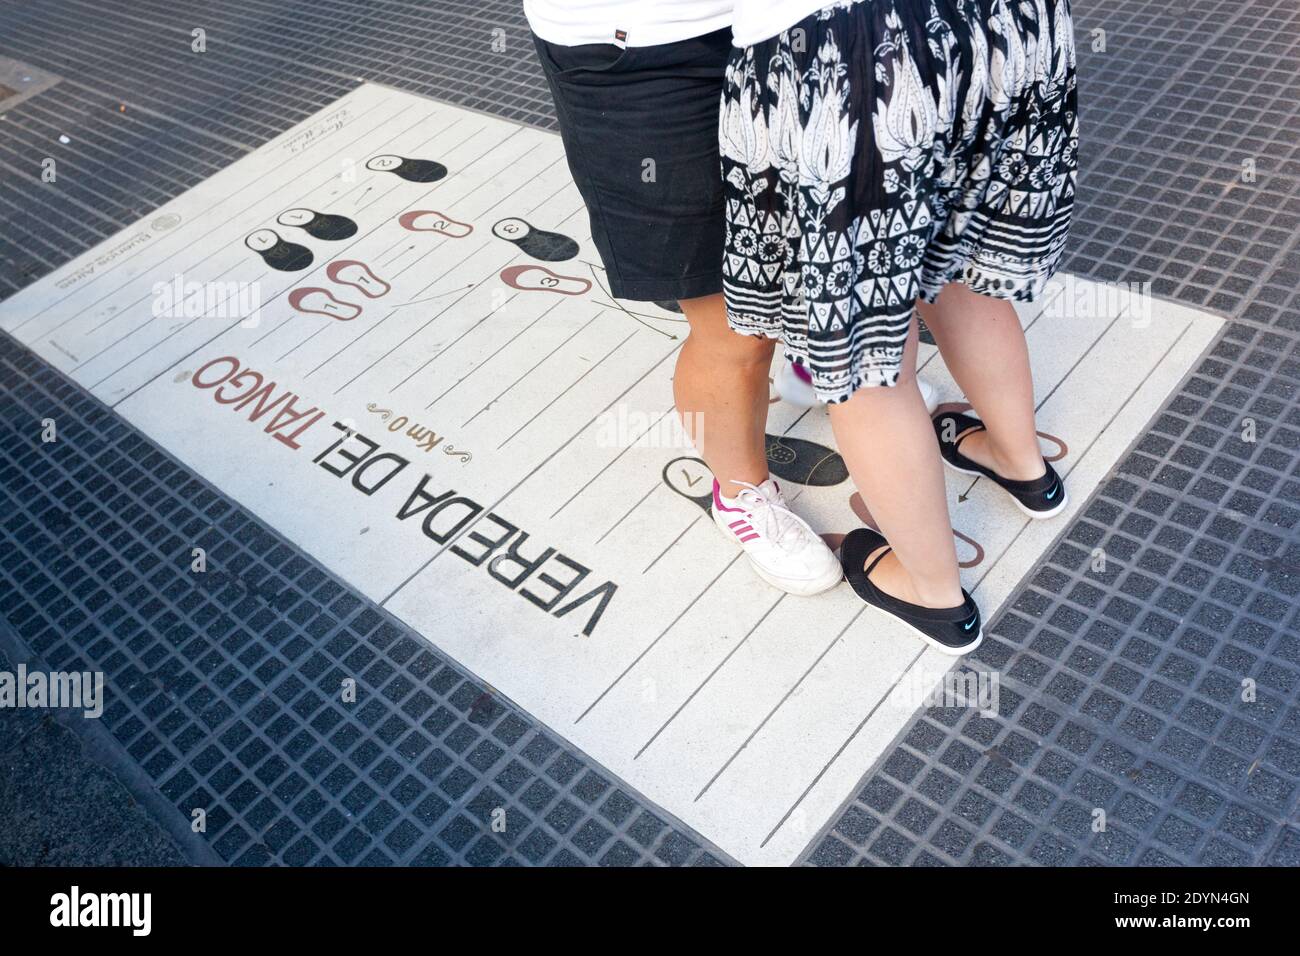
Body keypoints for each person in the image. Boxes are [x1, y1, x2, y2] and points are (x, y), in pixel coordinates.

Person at [721, 0, 1078, 652]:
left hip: (844, 52)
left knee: (863, 358)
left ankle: (935, 595)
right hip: (1000, 26)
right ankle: (1022, 464)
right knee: (961, 264)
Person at [525, 0, 843, 596]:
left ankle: (807, 365)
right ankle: (742, 493)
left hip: (789, 24)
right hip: (641, 50)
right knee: (727, 321)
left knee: (805, 226)